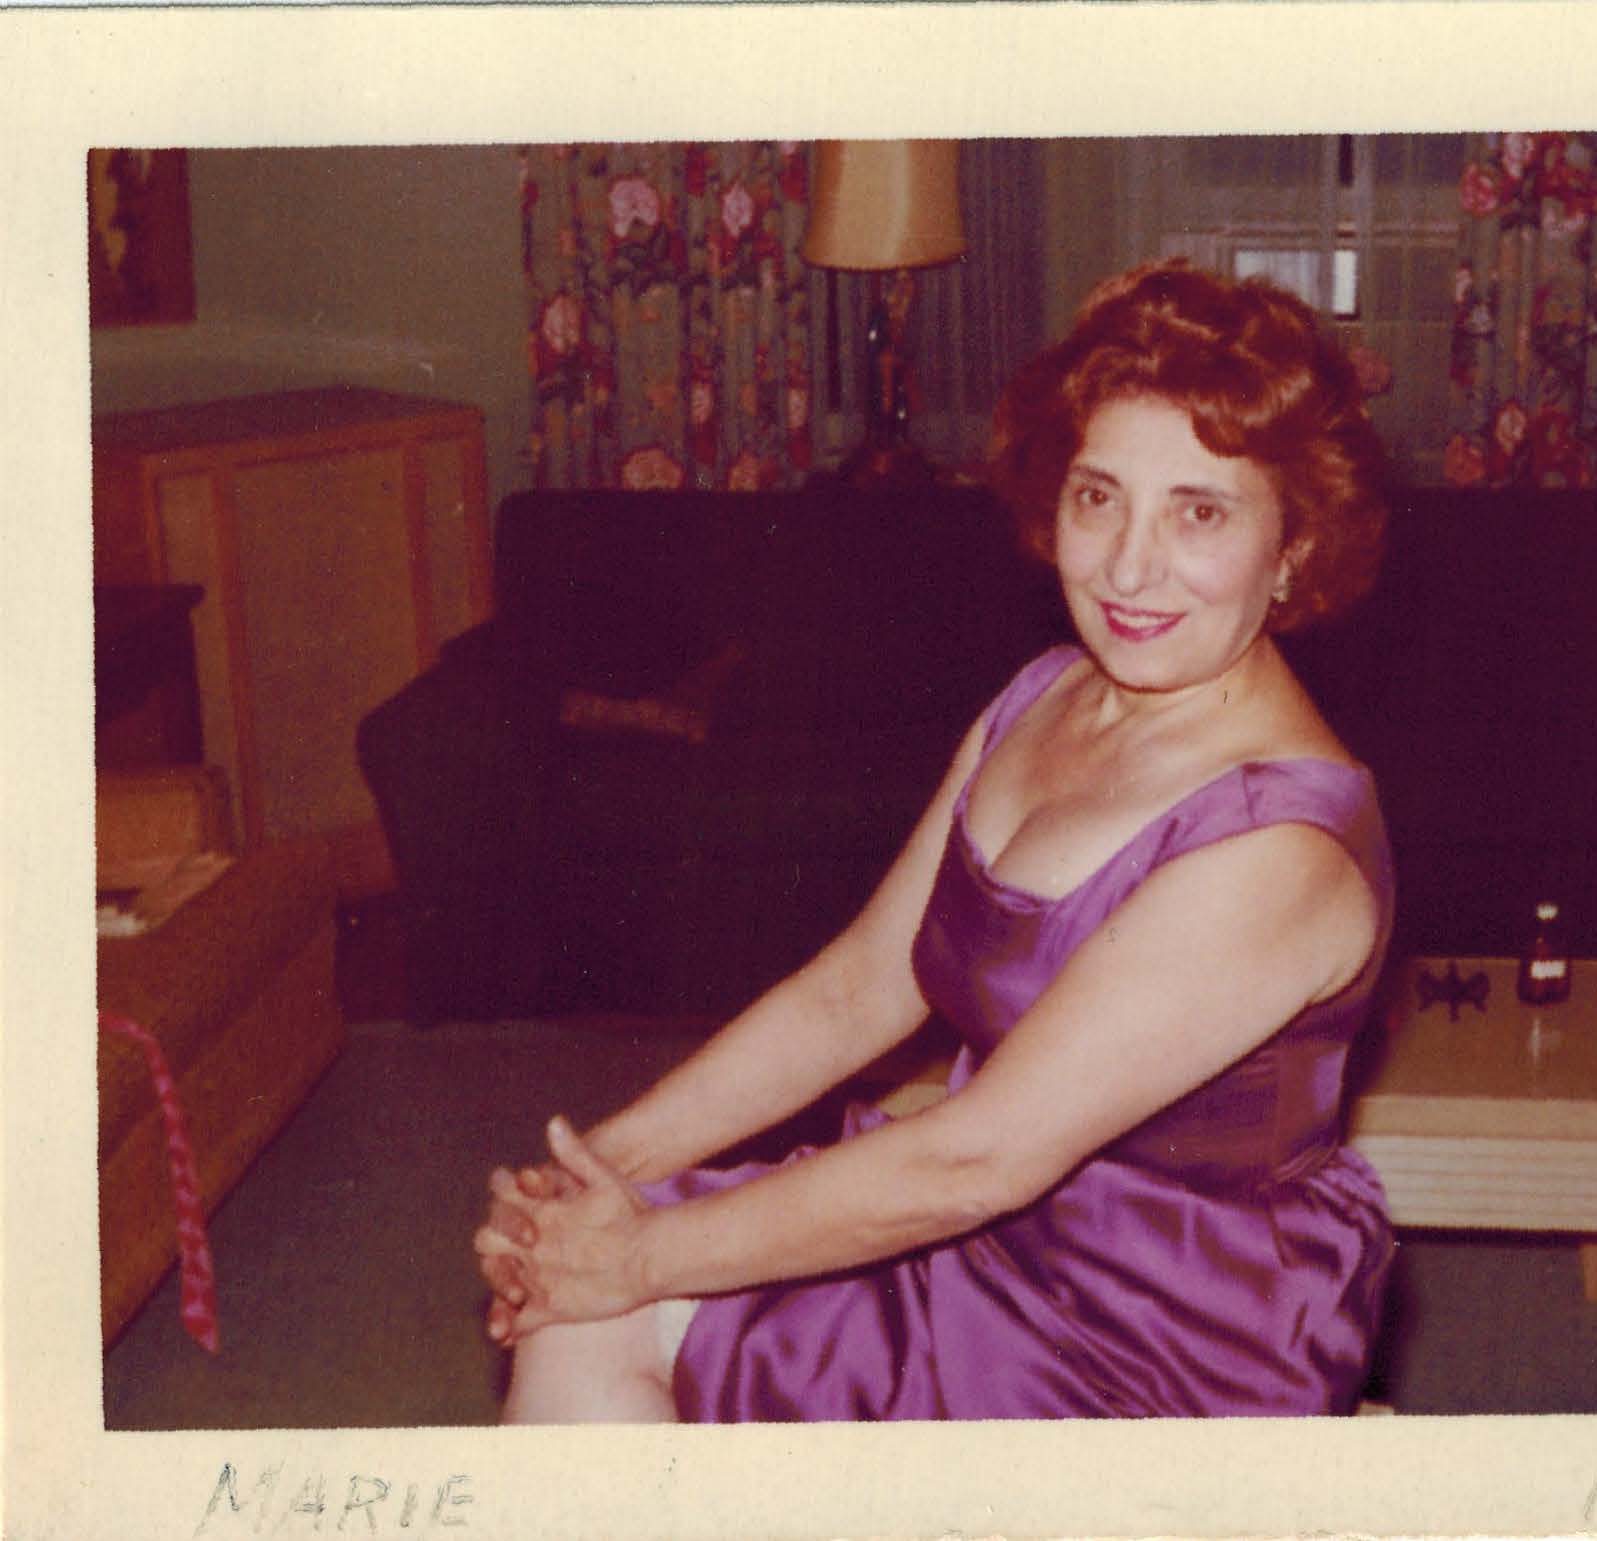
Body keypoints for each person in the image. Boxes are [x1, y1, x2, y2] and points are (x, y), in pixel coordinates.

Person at [474, 260, 1397, 1422]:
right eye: (1098, 496)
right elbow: (855, 990)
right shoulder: (1047, 693)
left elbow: (976, 1158)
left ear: (1294, 544)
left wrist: (635, 1256)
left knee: (618, 1287)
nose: (1128, 564)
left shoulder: (1279, 848)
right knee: (581, 1305)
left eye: (1198, 512)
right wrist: (589, 1175)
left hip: (1155, 1348)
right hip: (986, 1246)